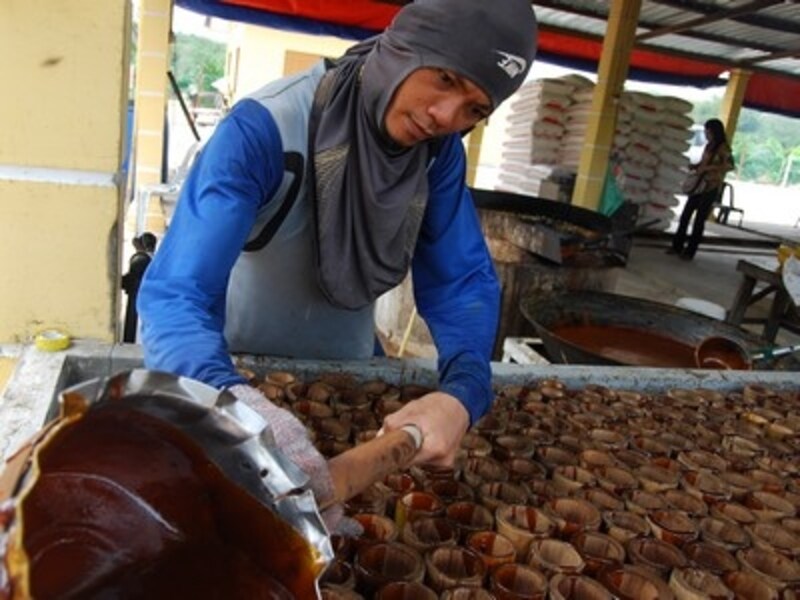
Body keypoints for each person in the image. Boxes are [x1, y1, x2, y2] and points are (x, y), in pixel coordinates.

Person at [137, 0, 537, 523]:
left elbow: (461, 282)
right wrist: (235, 406)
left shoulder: (438, 156)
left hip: (349, 378)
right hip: (226, 373)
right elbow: (177, 294)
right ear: (402, 47)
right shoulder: (266, 130)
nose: (446, 116)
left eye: (475, 110)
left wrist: (462, 394)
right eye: (443, 78)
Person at [669, 118, 734, 260]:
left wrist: (710, 168)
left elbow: (729, 166)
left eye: (707, 131)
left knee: (699, 220)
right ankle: (677, 246)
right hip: (699, 185)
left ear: (714, 131)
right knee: (685, 216)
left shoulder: (723, 148)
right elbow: (703, 162)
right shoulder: (709, 146)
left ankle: (690, 251)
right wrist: (696, 166)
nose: (705, 133)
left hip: (710, 187)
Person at [121, 232, 157, 343]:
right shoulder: (155, 259)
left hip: (137, 301)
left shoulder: (141, 260)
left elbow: (130, 279)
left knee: (134, 329)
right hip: (148, 303)